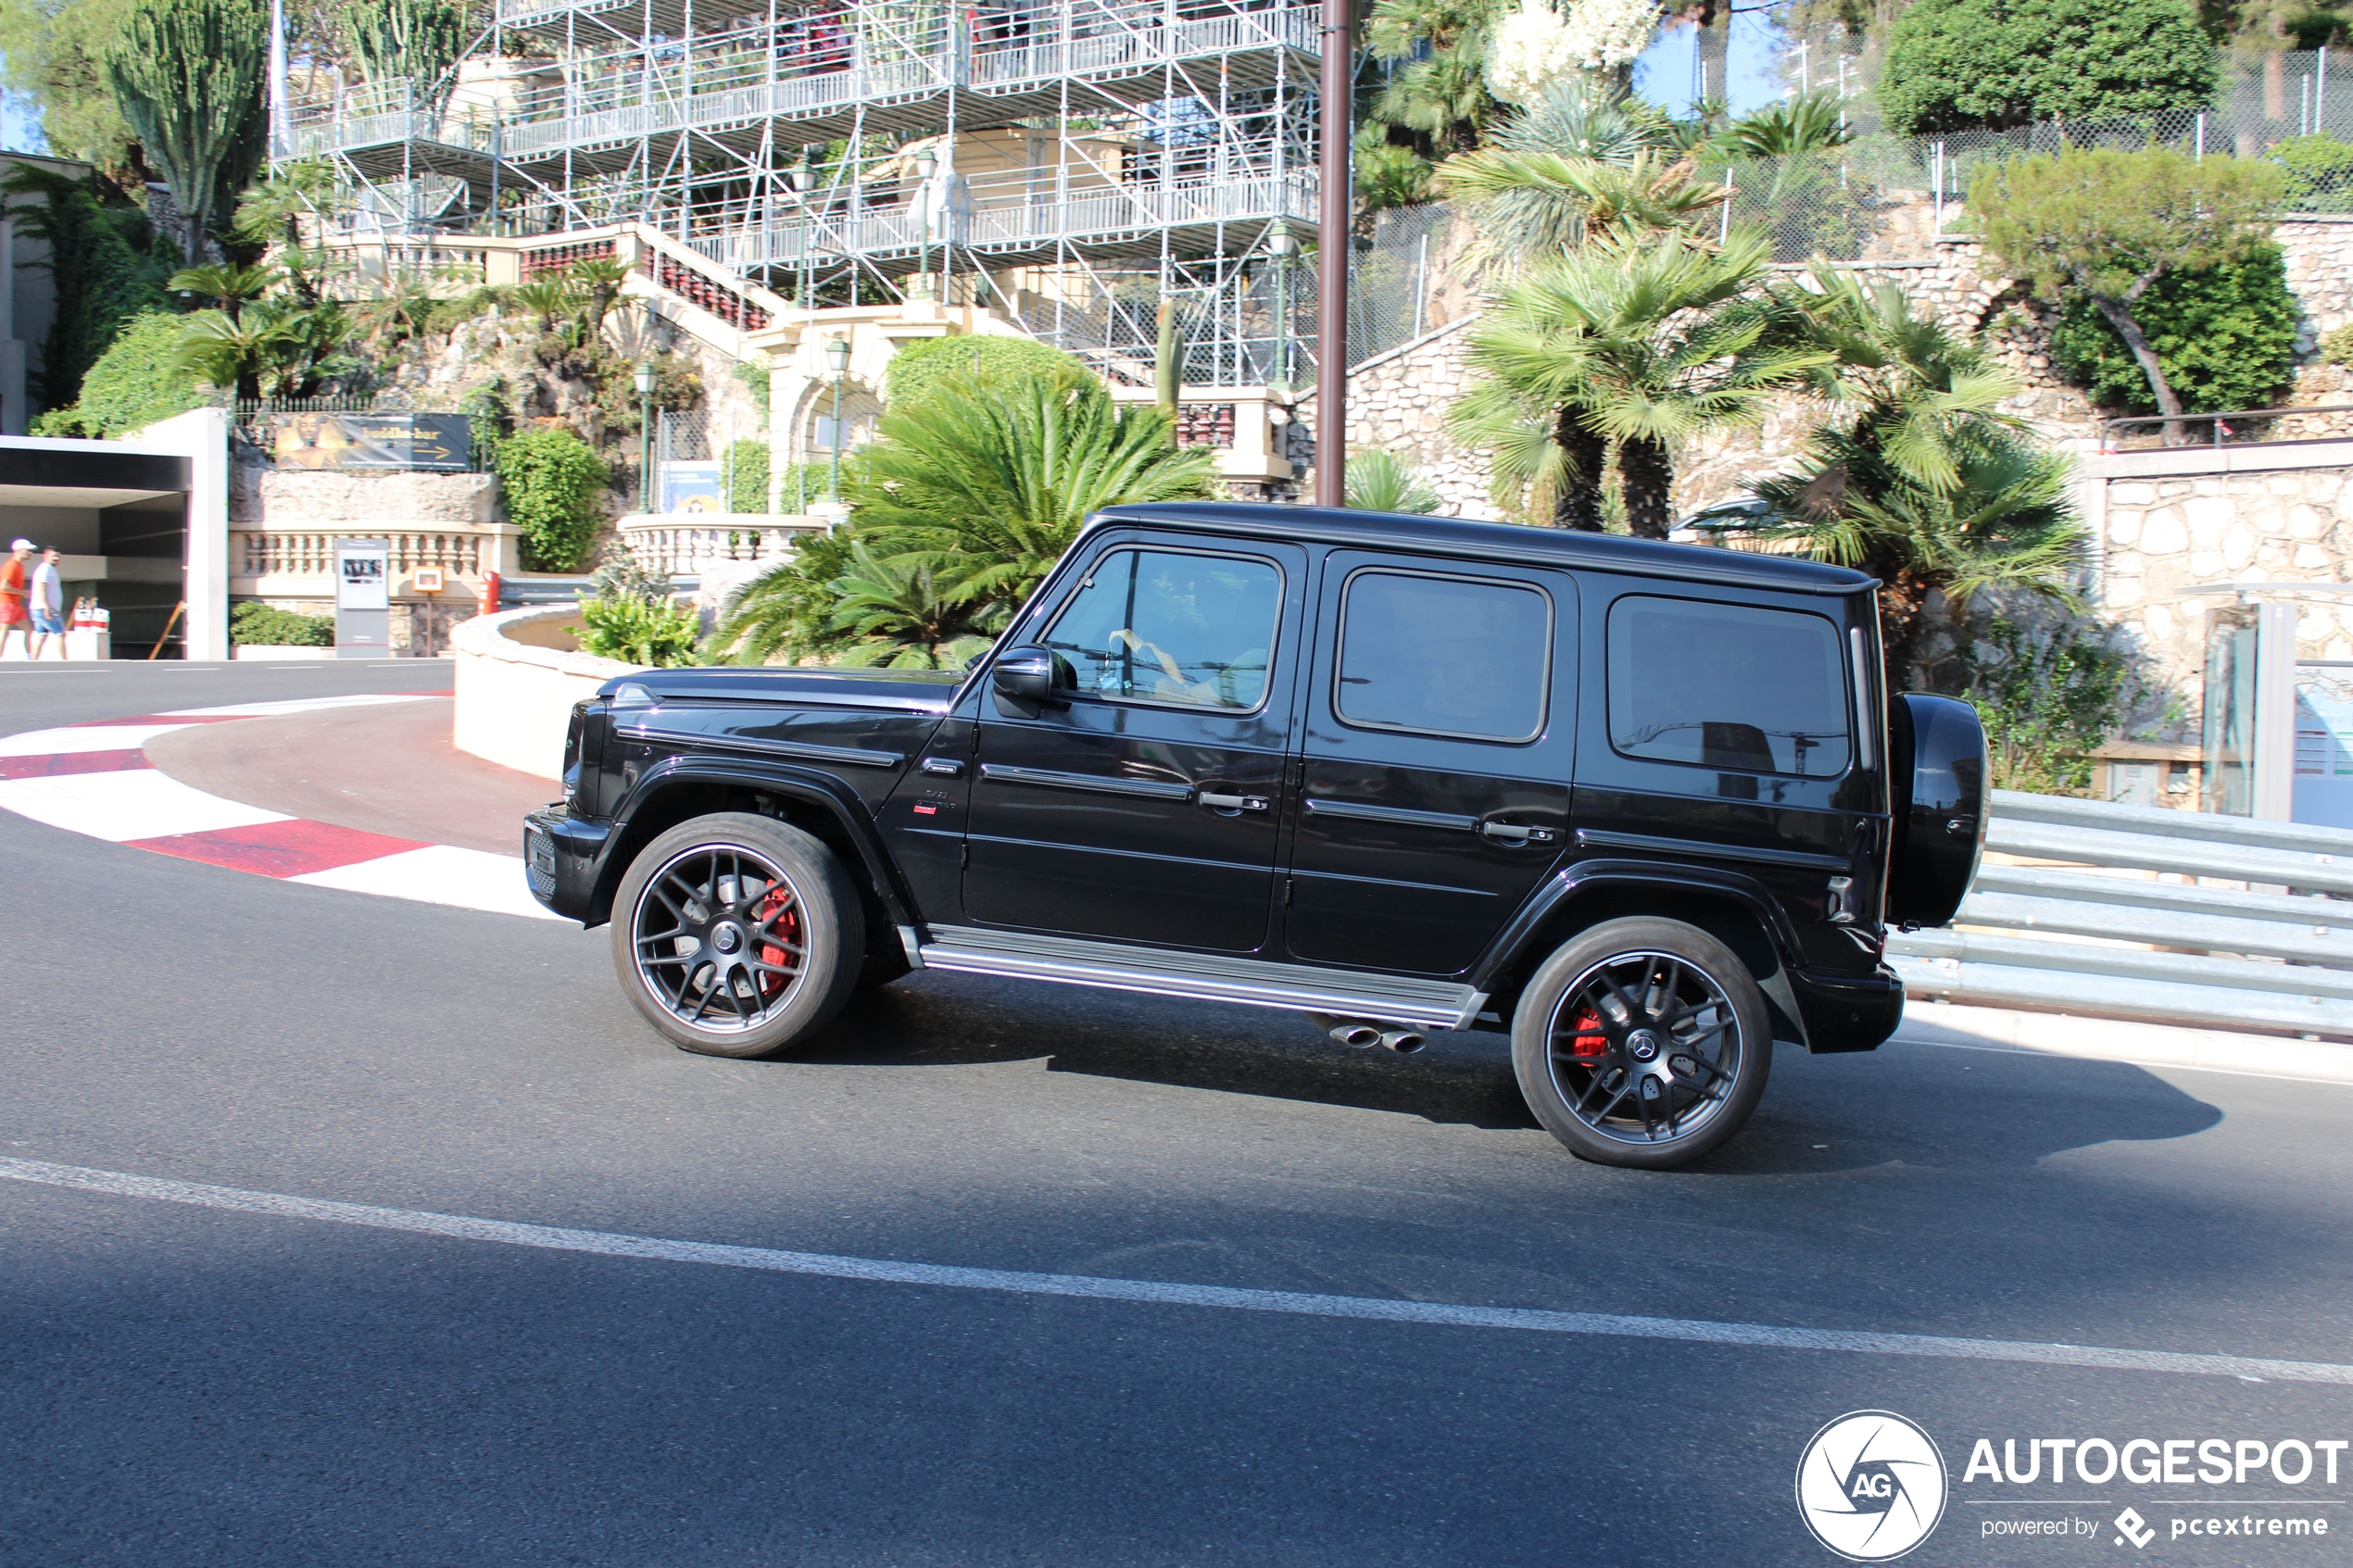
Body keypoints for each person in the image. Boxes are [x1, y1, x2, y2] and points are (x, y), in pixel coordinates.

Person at [28, 546, 65, 660]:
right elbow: (42, 586)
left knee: (40, 634)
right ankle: (65, 661)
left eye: (58, 557)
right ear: (45, 556)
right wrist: (46, 607)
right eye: (54, 556)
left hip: (39, 608)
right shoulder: (45, 568)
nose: (56, 559)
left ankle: (33, 659)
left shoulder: (49, 569)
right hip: (45, 608)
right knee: (60, 633)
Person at [0, 539, 31, 660]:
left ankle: (30, 658)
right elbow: (4, 586)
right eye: (28, 550)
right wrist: (22, 592)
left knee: (29, 630)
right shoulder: (11, 565)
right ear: (19, 551)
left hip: (16, 605)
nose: (30, 553)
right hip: (6, 602)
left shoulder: (19, 566)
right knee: (4, 632)